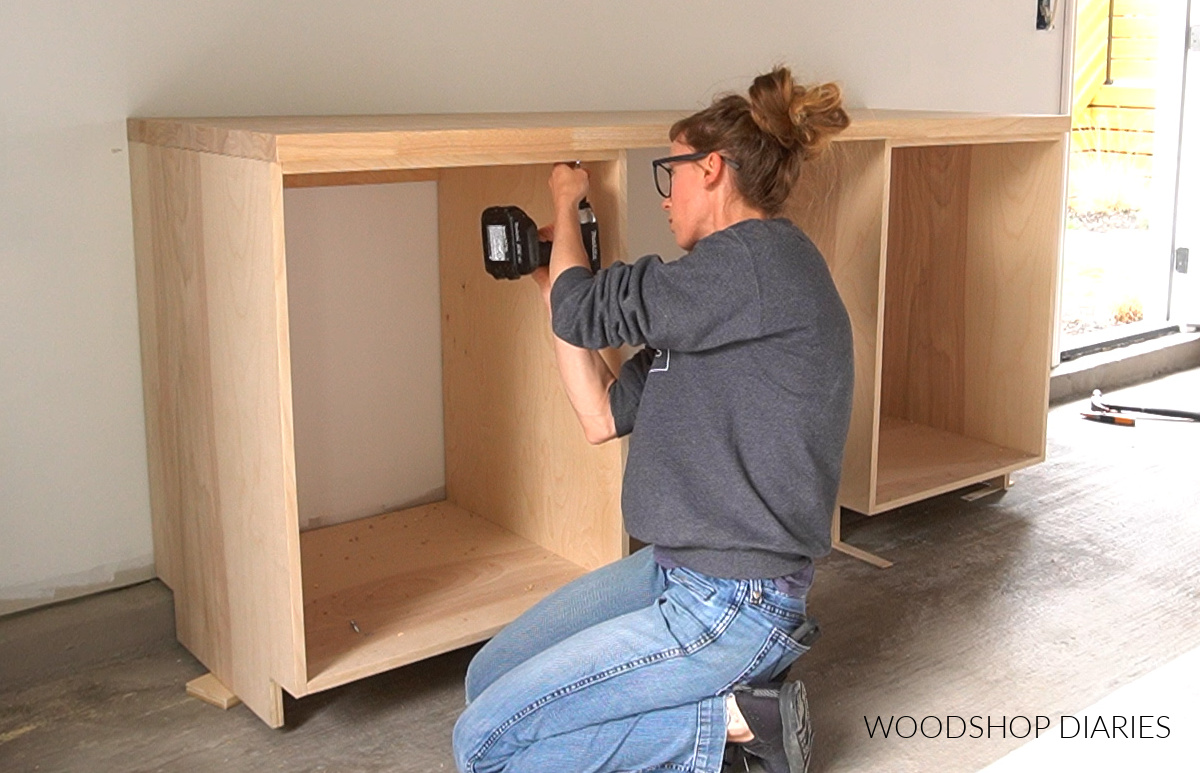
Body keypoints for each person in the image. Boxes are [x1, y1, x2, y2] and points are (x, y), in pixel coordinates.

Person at [452, 66, 853, 773]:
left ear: (713, 168)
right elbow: (600, 413)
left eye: (670, 175)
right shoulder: (714, 295)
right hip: (674, 572)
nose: (664, 198)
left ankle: (741, 729)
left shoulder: (753, 267)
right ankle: (719, 710)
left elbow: (589, 307)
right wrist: (554, 278)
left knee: (483, 743)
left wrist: (568, 201)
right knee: (485, 680)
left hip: (733, 601)